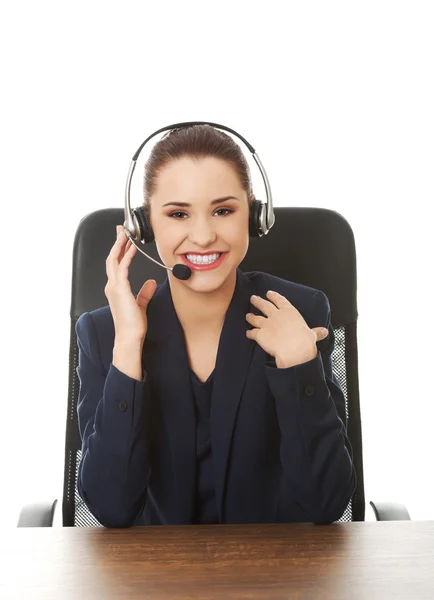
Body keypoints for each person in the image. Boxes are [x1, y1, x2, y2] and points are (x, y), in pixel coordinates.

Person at [75, 124, 356, 528]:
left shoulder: (300, 313)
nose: (204, 236)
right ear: (145, 226)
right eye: (178, 214)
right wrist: (128, 347)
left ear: (256, 215)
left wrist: (298, 366)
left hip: (274, 579)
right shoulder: (106, 334)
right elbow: (111, 510)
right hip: (154, 583)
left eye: (223, 210)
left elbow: (325, 505)